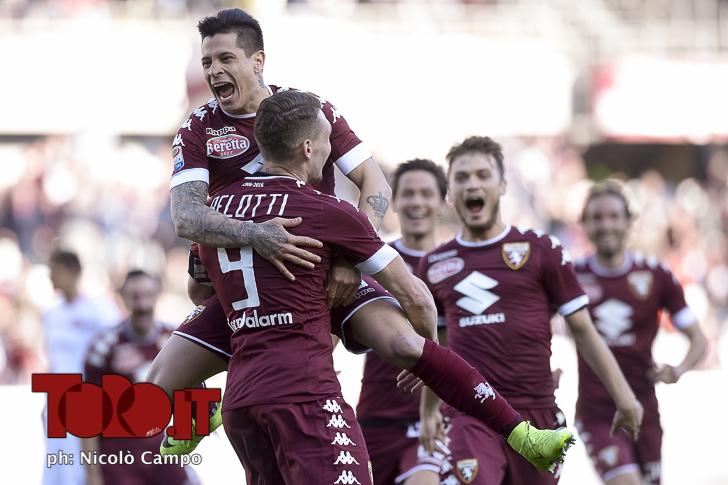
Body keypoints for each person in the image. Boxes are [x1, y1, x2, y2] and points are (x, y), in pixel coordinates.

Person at [197, 91, 577, 483]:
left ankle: (187, 422)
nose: (330, 153)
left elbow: (199, 296)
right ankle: (522, 435)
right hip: (306, 398)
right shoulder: (325, 211)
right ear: (308, 148)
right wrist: (430, 360)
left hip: (242, 401)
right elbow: (417, 300)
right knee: (408, 344)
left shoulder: (215, 212)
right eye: (327, 141)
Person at [147, 7, 396, 451]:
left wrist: (351, 259)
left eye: (226, 59)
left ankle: (470, 413)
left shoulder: (310, 110)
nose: (214, 71)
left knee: (403, 340)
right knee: (157, 382)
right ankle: (211, 404)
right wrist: (256, 234)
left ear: (258, 61)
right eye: (207, 62)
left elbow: (374, 181)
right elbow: (185, 218)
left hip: (315, 273)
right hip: (246, 285)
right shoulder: (199, 127)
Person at [415, 137, 644, 485]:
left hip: (536, 413)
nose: (472, 184)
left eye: (482, 175)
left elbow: (583, 330)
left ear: (503, 185)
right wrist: (429, 410)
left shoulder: (541, 249)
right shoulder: (434, 264)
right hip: (470, 413)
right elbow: (439, 349)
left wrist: (624, 398)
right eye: (461, 177)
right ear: (450, 191)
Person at [574, 180, 706, 485]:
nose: (606, 225)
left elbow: (698, 338)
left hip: (646, 409)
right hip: (597, 413)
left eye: (613, 216)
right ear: (584, 225)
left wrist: (680, 369)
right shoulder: (571, 275)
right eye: (596, 218)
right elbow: (535, 324)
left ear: (630, 222)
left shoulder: (656, 275)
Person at [356, 159, 448, 485]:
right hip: (374, 416)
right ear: (394, 202)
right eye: (408, 193)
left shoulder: (456, 265)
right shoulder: (373, 263)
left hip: (434, 420)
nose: (416, 202)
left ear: (443, 202)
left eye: (426, 193)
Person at [82, 270, 198, 485]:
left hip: (164, 453)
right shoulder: (104, 346)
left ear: (157, 295)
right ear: (123, 298)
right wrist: (92, 474)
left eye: (147, 295)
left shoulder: (175, 340)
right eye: (135, 296)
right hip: (120, 458)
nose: (142, 304)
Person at [42, 250, 119, 485]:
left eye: (55, 270)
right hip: (57, 399)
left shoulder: (100, 311)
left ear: (72, 271)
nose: (50, 276)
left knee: (86, 468)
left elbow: (113, 353)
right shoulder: (51, 315)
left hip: (87, 399)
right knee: (58, 465)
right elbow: (53, 360)